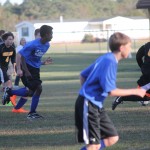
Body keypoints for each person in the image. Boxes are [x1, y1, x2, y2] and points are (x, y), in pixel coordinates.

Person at [75, 32, 146, 150]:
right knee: (94, 145)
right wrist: (136, 91)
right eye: (129, 46)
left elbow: (83, 75)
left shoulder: (106, 57)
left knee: (112, 138)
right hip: (88, 104)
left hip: (94, 104)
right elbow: (111, 91)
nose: (130, 49)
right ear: (122, 48)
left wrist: (90, 94)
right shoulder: (110, 61)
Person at [2, 25, 53, 119]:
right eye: (51, 34)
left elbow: (34, 59)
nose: (52, 36)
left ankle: (10, 92)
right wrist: (21, 70)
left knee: (31, 92)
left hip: (35, 70)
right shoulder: (32, 44)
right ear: (46, 35)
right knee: (38, 88)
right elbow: (19, 55)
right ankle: (32, 113)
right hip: (26, 68)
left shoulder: (47, 45)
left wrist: (43, 63)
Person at [112, 42, 150, 110]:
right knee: (144, 96)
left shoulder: (147, 45)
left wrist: (143, 68)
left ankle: (122, 97)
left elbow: (138, 56)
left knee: (146, 96)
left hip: (147, 73)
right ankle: (122, 97)